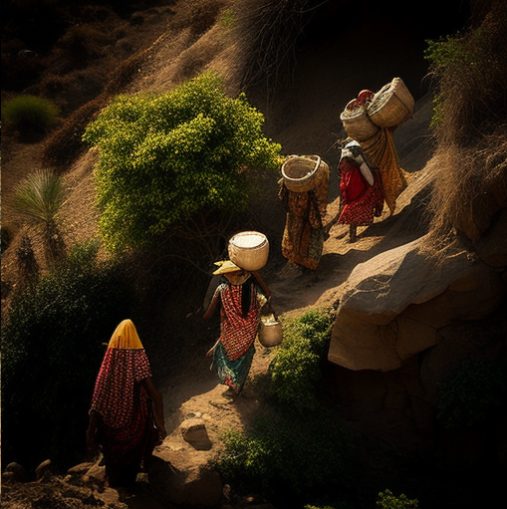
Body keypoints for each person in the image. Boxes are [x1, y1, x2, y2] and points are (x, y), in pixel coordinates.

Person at [86, 319, 166, 487]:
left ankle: (114, 477)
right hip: (133, 431)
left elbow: (97, 403)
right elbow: (156, 396)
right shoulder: (138, 359)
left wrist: (91, 431)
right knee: (144, 398)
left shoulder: (109, 363)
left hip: (110, 433)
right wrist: (161, 427)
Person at [204, 260, 270, 398]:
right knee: (243, 359)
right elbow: (267, 296)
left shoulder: (221, 289)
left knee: (226, 357)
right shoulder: (252, 288)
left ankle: (233, 387)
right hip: (249, 332)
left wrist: (204, 316)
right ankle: (238, 386)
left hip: (230, 333)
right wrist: (256, 275)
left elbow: (209, 313)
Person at [279, 157, 330, 270]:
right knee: (305, 240)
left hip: (295, 218)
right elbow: (313, 213)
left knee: (295, 240)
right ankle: (308, 265)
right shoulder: (306, 193)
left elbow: (283, 200)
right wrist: (316, 222)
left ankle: (303, 264)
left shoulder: (287, 187)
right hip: (303, 219)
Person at [337, 140, 384, 242]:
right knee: (372, 186)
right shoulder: (356, 161)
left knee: (352, 207)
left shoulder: (346, 163)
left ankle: (352, 234)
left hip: (350, 185)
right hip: (356, 185)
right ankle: (352, 235)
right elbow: (369, 178)